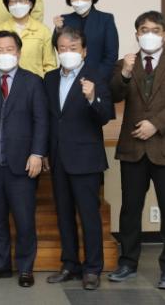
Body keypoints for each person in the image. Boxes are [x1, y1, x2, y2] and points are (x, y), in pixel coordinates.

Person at [108, 11, 165, 290]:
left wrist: (156, 124)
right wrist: (124, 73)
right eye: (144, 29)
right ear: (136, 34)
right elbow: (113, 95)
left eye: (155, 30)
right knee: (130, 209)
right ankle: (127, 263)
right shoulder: (125, 63)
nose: (149, 34)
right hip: (133, 148)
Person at [0, 30, 48, 288]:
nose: (4, 53)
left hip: (22, 162)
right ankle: (0, 265)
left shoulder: (33, 81)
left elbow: (41, 120)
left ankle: (25, 268)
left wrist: (37, 153)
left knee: (24, 220)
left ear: (19, 52)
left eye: (9, 49)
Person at [43, 27, 114, 290]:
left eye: (73, 48)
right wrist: (45, 151)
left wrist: (93, 97)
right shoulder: (50, 78)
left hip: (86, 158)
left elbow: (106, 115)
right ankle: (70, 264)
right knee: (64, 215)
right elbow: (49, 118)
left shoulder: (96, 76)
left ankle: (93, 268)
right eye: (62, 48)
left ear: (84, 51)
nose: (67, 52)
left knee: (89, 216)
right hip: (58, 157)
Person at [0, 0, 56, 77]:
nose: (17, 4)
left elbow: (50, 64)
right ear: (7, 5)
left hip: (35, 82)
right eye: (13, 1)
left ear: (31, 3)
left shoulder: (43, 30)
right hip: (6, 81)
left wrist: (46, 82)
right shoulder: (0, 29)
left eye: (22, 0)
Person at [52, 0, 119, 81]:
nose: (79, 0)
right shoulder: (65, 19)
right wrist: (58, 30)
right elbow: (58, 48)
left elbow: (111, 56)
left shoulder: (105, 19)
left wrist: (96, 78)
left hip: (97, 79)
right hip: (68, 78)